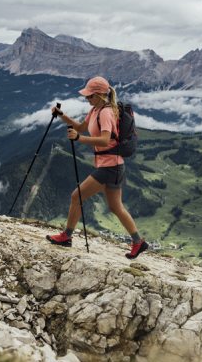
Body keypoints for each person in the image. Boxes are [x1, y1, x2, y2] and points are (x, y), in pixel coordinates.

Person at [45, 76, 148, 259]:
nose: (86, 99)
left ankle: (66, 237)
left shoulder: (106, 113)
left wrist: (78, 139)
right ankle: (139, 242)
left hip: (110, 167)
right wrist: (62, 116)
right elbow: (81, 127)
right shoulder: (95, 110)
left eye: (89, 96)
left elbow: (104, 140)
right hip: (112, 166)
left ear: (100, 95)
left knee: (76, 196)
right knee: (116, 207)